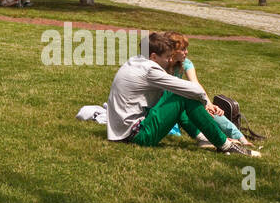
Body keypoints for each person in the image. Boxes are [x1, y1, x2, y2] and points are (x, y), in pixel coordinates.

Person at [105, 31, 259, 156]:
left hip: (121, 133)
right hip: (136, 136)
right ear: (153, 57)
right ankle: (225, 145)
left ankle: (203, 138)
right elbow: (194, 89)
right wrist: (206, 103)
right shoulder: (150, 70)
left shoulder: (134, 61)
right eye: (167, 57)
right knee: (180, 94)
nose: (169, 60)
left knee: (177, 97)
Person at [162, 33, 253, 147]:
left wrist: (209, 104)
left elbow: (196, 84)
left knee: (210, 111)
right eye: (183, 49)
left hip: (181, 101)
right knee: (189, 109)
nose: (187, 52)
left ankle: (240, 137)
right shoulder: (161, 65)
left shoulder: (186, 63)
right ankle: (208, 138)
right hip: (165, 105)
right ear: (173, 51)